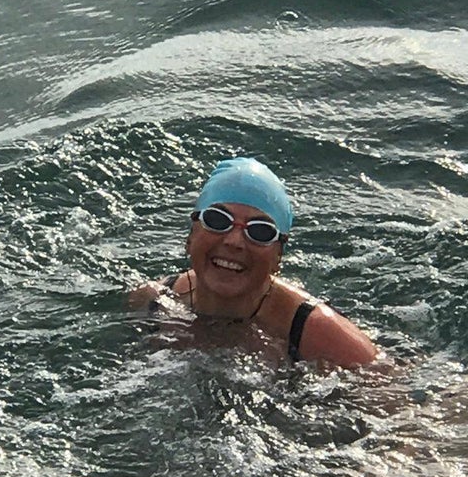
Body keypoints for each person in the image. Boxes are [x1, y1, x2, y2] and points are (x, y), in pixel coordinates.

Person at [130, 157, 378, 368]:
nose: (234, 241)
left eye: (260, 231)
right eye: (218, 220)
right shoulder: (152, 302)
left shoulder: (323, 336)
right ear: (190, 236)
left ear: (278, 257)